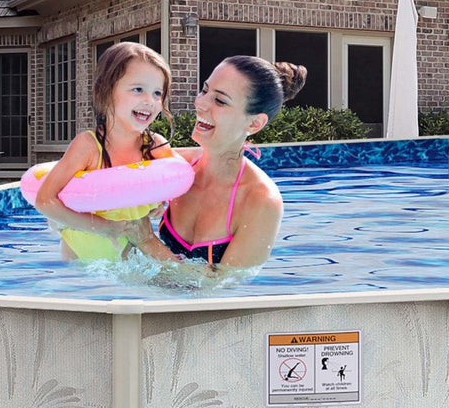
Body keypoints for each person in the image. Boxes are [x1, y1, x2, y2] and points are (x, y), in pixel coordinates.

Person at [125, 55, 307, 271]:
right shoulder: (172, 164)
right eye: (204, 91)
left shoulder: (260, 201)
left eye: (220, 101)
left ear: (255, 123)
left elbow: (218, 283)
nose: (200, 104)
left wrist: (146, 240)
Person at [33, 42, 174, 261]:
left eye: (157, 93)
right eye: (138, 89)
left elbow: (175, 186)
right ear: (107, 91)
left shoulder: (155, 146)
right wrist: (104, 228)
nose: (150, 101)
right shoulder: (89, 147)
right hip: (80, 253)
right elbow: (45, 201)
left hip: (131, 253)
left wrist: (162, 202)